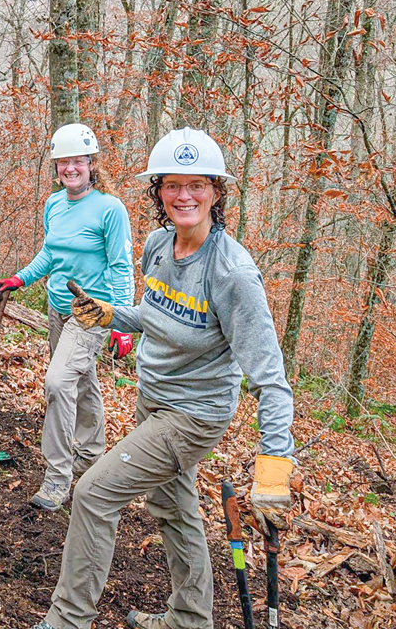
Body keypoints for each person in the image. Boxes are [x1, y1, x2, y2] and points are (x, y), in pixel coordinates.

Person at [28, 127, 295, 629]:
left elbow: (271, 379)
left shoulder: (232, 273)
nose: (184, 195)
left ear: (217, 191)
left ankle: (67, 619)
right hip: (153, 396)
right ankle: (190, 618)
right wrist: (108, 315)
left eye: (197, 185)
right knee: (173, 505)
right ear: (159, 192)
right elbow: (151, 315)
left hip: (193, 415)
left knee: (92, 492)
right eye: (172, 184)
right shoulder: (157, 245)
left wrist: (275, 465)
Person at [0, 124, 133, 512]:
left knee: (57, 383)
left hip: (91, 313)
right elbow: (50, 255)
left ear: (91, 164)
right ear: (57, 167)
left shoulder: (110, 209)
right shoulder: (54, 204)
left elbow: (122, 266)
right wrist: (21, 277)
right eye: (63, 162)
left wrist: (122, 321)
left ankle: (57, 478)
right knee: (81, 382)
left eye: (77, 161)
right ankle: (90, 454)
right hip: (57, 308)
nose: (71, 168)